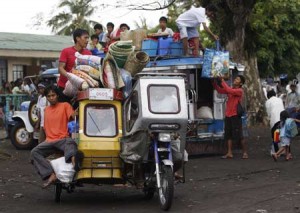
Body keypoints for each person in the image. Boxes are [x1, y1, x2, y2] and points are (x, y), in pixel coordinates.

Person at [30, 85, 78, 188]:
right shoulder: (46, 110)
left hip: (63, 139)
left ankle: (75, 166)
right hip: (49, 141)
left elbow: (73, 116)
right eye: (49, 96)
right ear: (46, 97)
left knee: (71, 143)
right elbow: (45, 126)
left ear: (57, 95)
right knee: (34, 152)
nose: (51, 98)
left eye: (53, 95)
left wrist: (77, 110)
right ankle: (50, 174)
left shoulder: (65, 105)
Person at [212, 75, 248, 159]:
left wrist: (222, 80)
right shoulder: (232, 89)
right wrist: (214, 82)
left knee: (240, 135)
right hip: (228, 115)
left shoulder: (239, 90)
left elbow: (228, 90)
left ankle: (245, 152)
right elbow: (220, 90)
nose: (235, 79)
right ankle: (229, 152)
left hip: (235, 115)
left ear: (241, 83)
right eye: (236, 78)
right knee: (228, 135)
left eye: (238, 79)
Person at [57, 28, 92, 102]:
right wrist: (71, 77)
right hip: (64, 88)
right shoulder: (66, 51)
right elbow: (60, 68)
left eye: (88, 38)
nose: (87, 40)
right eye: (85, 38)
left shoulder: (89, 53)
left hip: (80, 90)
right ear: (78, 38)